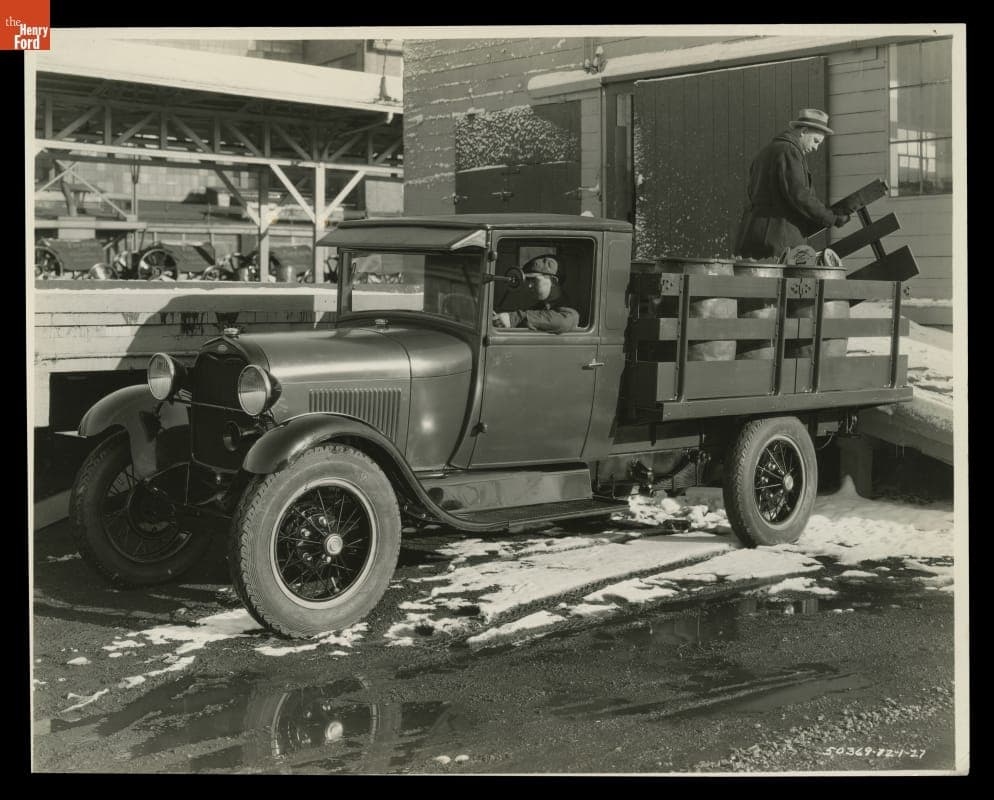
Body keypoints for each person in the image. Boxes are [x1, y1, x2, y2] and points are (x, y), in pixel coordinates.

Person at [734, 108, 851, 260]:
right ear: (803, 131)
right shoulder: (789, 151)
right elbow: (800, 195)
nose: (816, 148)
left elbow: (752, 192)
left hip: (752, 235)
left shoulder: (766, 152)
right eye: (816, 141)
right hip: (778, 241)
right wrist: (831, 218)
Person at [491, 255, 579, 333]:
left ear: (553, 282)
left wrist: (513, 318)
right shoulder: (542, 307)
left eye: (534, 280)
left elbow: (564, 321)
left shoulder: (568, 311)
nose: (529, 285)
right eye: (528, 280)